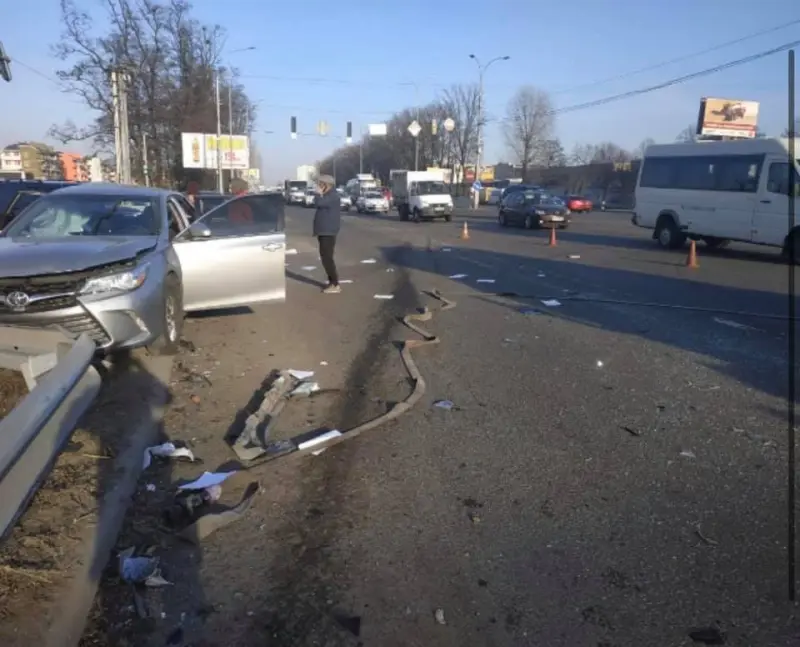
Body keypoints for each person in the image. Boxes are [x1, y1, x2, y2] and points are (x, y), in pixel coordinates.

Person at [313, 174, 341, 294]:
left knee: (327, 258)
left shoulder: (332, 195)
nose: (318, 186)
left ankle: (335, 283)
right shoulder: (328, 195)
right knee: (325, 257)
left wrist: (318, 194)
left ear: (326, 185)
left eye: (320, 184)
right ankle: (332, 282)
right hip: (324, 230)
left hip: (328, 231)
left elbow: (318, 203)